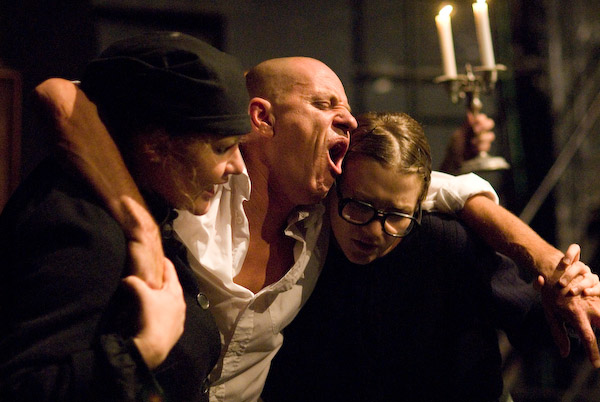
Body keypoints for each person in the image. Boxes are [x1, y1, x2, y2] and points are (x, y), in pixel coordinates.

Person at [38, 57, 600, 402]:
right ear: (262, 118)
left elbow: (432, 189)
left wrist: (550, 263)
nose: (348, 119)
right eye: (326, 103)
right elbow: (61, 96)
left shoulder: (353, 214)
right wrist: (138, 225)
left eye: (348, 110)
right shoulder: (195, 185)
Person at [261, 111, 597, 401]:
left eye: (397, 215)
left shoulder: (445, 241)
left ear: (420, 206)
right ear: (333, 187)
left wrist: (573, 303)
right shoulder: (301, 242)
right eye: (361, 206)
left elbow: (530, 321)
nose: (375, 231)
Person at [0, 32, 251, 401]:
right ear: (156, 145)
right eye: (222, 147)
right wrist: (143, 350)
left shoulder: (149, 205)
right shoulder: (83, 230)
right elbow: (19, 386)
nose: (237, 166)